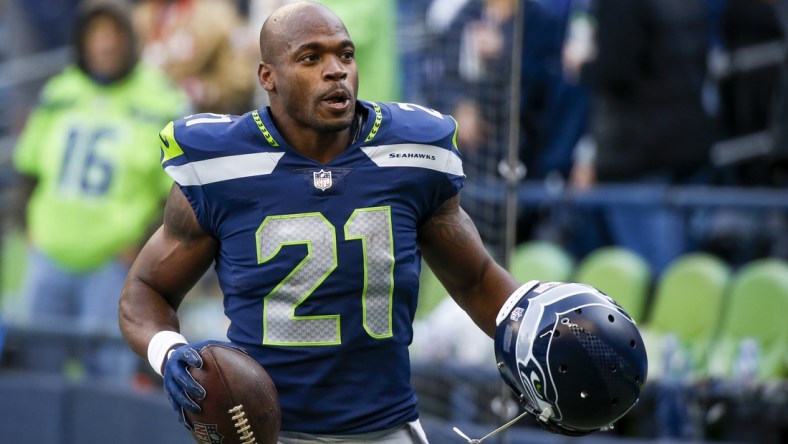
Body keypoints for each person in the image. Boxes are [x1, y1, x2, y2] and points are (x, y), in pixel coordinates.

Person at [118, 2, 647, 442]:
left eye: (344, 55)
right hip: (270, 430)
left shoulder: (412, 153)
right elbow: (144, 291)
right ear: (268, 77)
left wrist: (539, 329)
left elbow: (476, 280)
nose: (336, 70)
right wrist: (168, 352)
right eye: (311, 57)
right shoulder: (219, 164)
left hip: (384, 429)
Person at [11, 0, 190, 382]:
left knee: (108, 376)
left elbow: (179, 192)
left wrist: (143, 247)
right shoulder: (60, 91)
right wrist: (30, 227)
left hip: (113, 263)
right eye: (96, 34)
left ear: (130, 39)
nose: (104, 44)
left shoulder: (161, 100)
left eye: (113, 34)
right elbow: (28, 166)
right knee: (36, 373)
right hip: (50, 254)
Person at [132, 0, 258, 115]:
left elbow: (241, 79)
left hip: (198, 120)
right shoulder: (142, 15)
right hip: (142, 114)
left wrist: (205, 90)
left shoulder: (217, 16)